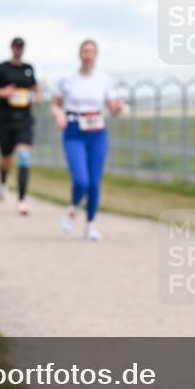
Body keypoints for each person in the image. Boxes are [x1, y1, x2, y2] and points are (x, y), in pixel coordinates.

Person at [51, 39, 123, 241]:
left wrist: (117, 109)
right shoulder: (67, 79)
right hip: (74, 130)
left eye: (92, 52)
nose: (89, 55)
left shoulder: (104, 80)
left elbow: (112, 108)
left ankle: (91, 224)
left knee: (94, 182)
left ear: (96, 55)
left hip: (97, 131)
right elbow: (55, 105)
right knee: (81, 179)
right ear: (79, 54)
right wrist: (60, 115)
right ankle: (73, 208)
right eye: (85, 51)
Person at [0, 36, 42, 215]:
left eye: (21, 47)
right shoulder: (0, 68)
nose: (19, 50)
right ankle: (3, 181)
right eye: (16, 47)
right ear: (11, 48)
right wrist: (1, 92)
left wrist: (37, 95)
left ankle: (22, 200)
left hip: (24, 120)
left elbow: (35, 86)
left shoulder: (28, 69)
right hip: (5, 120)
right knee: (6, 159)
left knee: (24, 156)